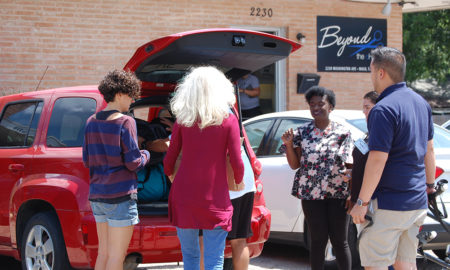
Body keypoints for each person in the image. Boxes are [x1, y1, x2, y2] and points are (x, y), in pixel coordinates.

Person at [350, 47, 436, 270]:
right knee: (405, 264)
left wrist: (362, 202)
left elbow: (378, 159)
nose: (370, 77)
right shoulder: (421, 104)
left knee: (376, 264)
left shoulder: (383, 109)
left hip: (388, 204)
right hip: (416, 203)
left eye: (370, 71)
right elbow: (429, 150)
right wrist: (429, 186)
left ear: (380, 73)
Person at [163, 66, 245, 270]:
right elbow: (237, 162)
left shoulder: (183, 119)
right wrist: (238, 179)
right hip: (215, 198)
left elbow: (168, 161)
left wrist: (172, 176)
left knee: (189, 257)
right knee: (214, 259)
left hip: (183, 196)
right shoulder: (229, 120)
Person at [82, 70, 150, 270]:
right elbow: (133, 162)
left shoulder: (90, 121)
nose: (132, 100)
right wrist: (146, 154)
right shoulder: (125, 121)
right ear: (120, 94)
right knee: (116, 257)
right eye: (131, 95)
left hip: (97, 196)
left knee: (103, 254)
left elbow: (87, 160)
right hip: (120, 197)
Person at [280, 86, 353, 270]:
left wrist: (352, 194)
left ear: (331, 107)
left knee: (340, 241)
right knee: (318, 240)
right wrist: (288, 145)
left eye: (321, 103)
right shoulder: (301, 132)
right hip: (311, 194)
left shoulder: (343, 133)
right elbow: (295, 165)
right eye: (312, 104)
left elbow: (350, 165)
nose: (315, 108)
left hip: (338, 193)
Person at [347, 91, 379, 212]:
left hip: (371, 201)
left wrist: (362, 203)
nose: (364, 112)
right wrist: (352, 172)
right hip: (360, 199)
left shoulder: (380, 136)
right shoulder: (369, 134)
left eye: (368, 107)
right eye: (363, 108)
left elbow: (376, 166)